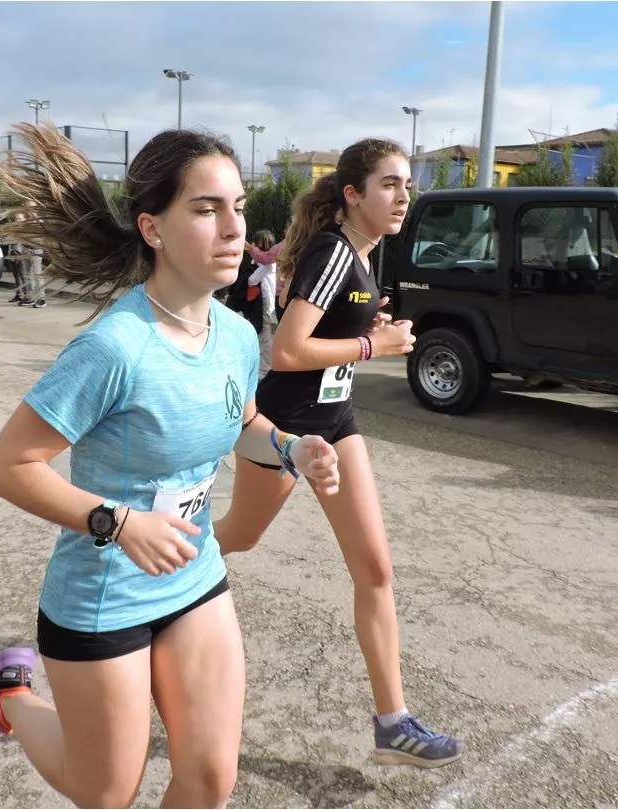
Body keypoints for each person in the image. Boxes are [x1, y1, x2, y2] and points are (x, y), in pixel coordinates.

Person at [0, 123, 342, 809]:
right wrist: (117, 521)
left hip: (195, 577)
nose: (234, 228)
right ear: (153, 228)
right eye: (205, 208)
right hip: (104, 596)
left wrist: (292, 449)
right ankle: (12, 698)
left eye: (238, 205)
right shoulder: (115, 348)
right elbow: (7, 465)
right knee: (105, 791)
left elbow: (244, 422)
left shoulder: (231, 332)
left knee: (208, 780)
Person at [213, 138, 465, 769]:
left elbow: (328, 331)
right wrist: (370, 349)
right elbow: (289, 352)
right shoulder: (333, 250)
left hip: (338, 423)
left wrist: (365, 329)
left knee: (375, 569)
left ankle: (393, 724)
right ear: (353, 195)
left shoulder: (361, 255)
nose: (403, 195)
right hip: (289, 425)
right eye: (388, 184)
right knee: (237, 539)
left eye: (407, 184)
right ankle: (144, 551)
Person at [246, 229, 278, 376]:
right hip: (261, 302)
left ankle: (264, 370)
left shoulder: (268, 265)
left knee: (263, 336)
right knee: (259, 334)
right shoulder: (264, 262)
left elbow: (252, 280)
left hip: (264, 302)